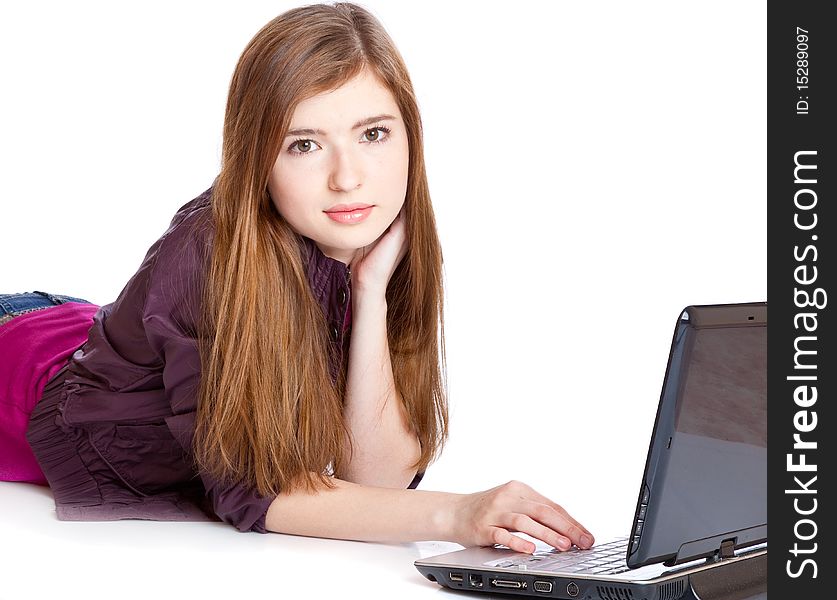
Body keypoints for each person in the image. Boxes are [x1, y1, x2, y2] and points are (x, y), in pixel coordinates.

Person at [0, 2, 594, 554]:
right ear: (257, 157)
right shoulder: (211, 248)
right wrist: (459, 515)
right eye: (305, 144)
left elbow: (376, 477)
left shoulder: (377, 244)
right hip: (18, 354)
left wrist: (370, 296)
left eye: (373, 134)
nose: (348, 178)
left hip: (76, 325)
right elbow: (261, 491)